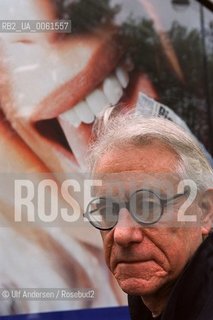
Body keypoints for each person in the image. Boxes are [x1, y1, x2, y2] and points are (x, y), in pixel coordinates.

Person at [85, 109, 213, 320]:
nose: (121, 234)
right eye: (107, 210)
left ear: (205, 211)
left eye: (148, 206)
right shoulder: (150, 304)